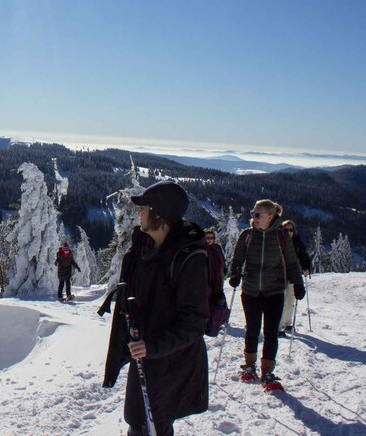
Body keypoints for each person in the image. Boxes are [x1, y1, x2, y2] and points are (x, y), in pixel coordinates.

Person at [101, 181, 209, 436]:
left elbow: (194, 323)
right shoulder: (145, 248)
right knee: (137, 420)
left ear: (159, 215)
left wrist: (153, 346)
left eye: (145, 208)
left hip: (170, 362)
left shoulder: (189, 259)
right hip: (145, 355)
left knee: (155, 425)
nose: (140, 214)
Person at [228, 200, 305, 388]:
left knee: (271, 333)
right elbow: (237, 258)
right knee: (252, 329)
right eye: (253, 214)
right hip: (251, 290)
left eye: (257, 215)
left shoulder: (282, 237)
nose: (253, 218)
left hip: (274, 291)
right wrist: (235, 273)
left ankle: (267, 371)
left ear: (270, 217)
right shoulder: (247, 235)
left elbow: (292, 262)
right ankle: (249, 366)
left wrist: (298, 283)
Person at [278, 219, 312, 337]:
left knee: (290, 301)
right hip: (279, 275)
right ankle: (278, 326)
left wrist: (306, 267)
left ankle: (287, 323)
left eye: (291, 230)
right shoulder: (278, 242)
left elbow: (304, 256)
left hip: (293, 275)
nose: (289, 232)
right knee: (280, 301)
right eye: (286, 230)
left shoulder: (298, 243)